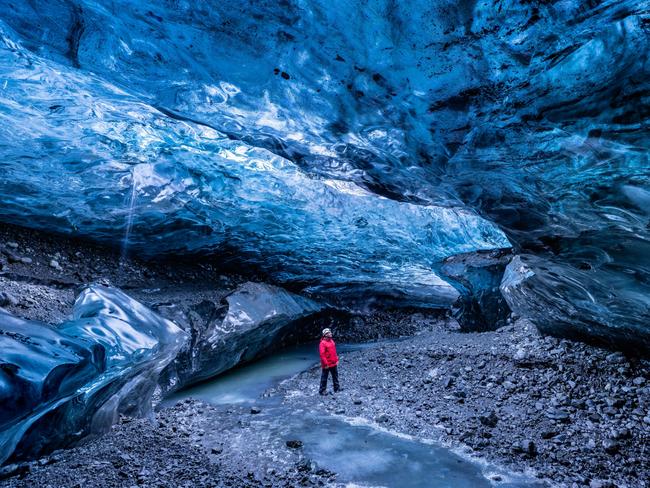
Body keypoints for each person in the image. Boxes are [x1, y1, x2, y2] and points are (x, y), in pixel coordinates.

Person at [319, 328, 341, 395]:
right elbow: (322, 355)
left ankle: (336, 388)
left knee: (335, 376)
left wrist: (337, 359)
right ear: (325, 335)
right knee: (324, 377)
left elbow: (334, 351)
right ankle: (322, 391)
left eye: (330, 332)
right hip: (327, 364)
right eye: (328, 333)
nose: (330, 333)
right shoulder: (322, 343)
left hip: (333, 363)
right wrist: (326, 364)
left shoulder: (331, 341)